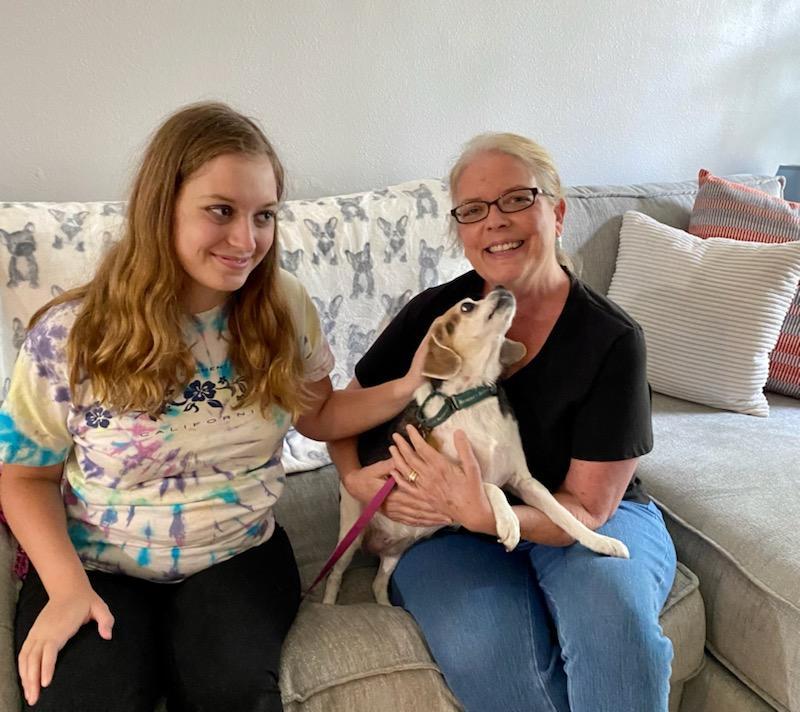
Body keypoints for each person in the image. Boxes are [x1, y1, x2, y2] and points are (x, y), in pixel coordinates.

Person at [0, 102, 426, 712]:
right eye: (220, 211)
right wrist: (65, 590)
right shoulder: (72, 334)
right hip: (94, 559)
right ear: (162, 208)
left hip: (238, 552)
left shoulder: (282, 306)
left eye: (264, 216)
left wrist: (413, 383)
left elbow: (318, 415)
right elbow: (24, 476)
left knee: (233, 690)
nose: (246, 240)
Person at [327, 133, 677, 712]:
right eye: (473, 210)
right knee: (495, 661)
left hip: (579, 514)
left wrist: (486, 512)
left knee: (613, 625)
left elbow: (588, 510)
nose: (495, 221)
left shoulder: (611, 340)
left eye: (517, 199)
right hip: (444, 531)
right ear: (461, 231)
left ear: (557, 211)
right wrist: (353, 478)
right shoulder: (436, 317)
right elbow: (343, 414)